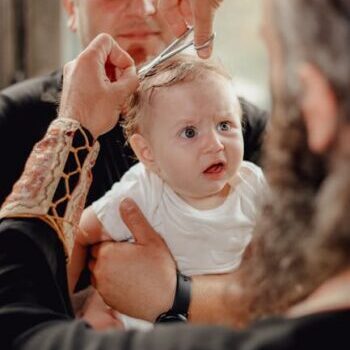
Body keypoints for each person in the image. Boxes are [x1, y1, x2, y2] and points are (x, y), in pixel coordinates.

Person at [2, 0, 350, 349]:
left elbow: (19, 331)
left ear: (319, 105)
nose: (145, 8)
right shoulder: (12, 122)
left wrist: (176, 294)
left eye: (226, 124)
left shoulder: (254, 151)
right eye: (188, 132)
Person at [0, 0, 267, 207]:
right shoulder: (11, 121)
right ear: (72, 8)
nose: (144, 9)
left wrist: (178, 281)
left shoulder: (245, 128)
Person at [72, 55, 266, 328]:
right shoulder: (144, 191)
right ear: (147, 153)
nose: (215, 144)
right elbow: (79, 234)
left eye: (224, 125)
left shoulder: (252, 184)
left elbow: (283, 258)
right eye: (189, 132)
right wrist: (66, 314)